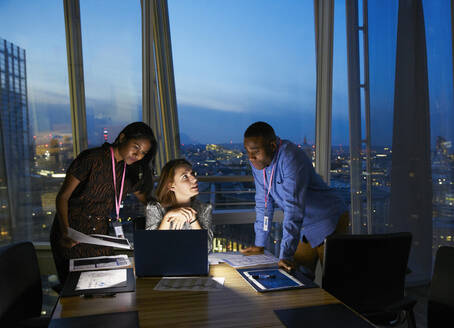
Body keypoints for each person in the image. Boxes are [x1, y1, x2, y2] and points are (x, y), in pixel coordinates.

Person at [50, 122, 157, 284]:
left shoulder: (128, 171)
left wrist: (171, 209)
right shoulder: (91, 159)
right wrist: (65, 232)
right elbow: (63, 197)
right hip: (72, 234)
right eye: (136, 147)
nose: (138, 155)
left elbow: (147, 201)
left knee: (102, 286)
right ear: (122, 138)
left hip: (100, 237)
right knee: (75, 288)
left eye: (143, 153)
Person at [241, 121, 349, 277]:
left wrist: (285, 255)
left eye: (255, 152)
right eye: (247, 152)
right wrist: (260, 243)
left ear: (272, 146)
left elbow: (293, 208)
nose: (250, 158)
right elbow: (263, 203)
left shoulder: (290, 157)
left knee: (334, 283)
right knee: (296, 276)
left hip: (328, 220)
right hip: (305, 226)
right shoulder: (258, 162)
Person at [145, 158, 214, 252]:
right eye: (185, 177)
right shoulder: (155, 208)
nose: (194, 179)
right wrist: (168, 217)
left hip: (193, 263)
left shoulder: (205, 209)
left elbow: (207, 249)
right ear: (171, 186)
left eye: (192, 174)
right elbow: (152, 248)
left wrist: (193, 218)